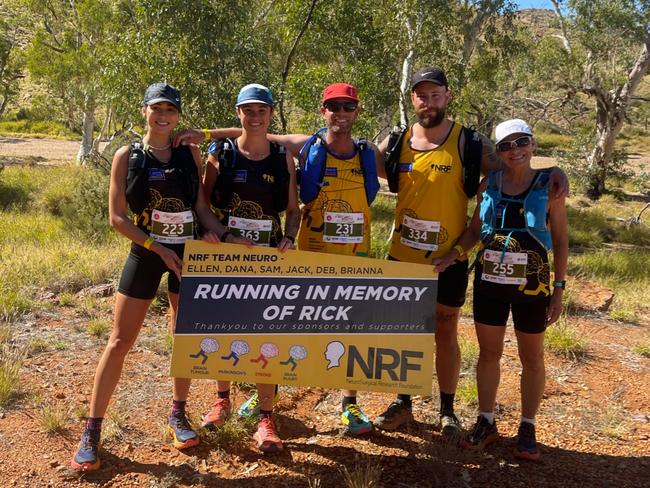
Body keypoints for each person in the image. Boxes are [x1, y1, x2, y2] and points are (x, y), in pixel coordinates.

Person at [175, 82, 381, 436]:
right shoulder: (304, 145)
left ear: (357, 111)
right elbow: (252, 130)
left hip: (347, 251)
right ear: (324, 111)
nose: (341, 114)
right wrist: (206, 133)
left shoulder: (369, 152)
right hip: (299, 249)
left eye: (348, 107)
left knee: (346, 324)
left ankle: (348, 404)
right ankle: (247, 397)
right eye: (335, 107)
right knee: (244, 325)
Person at [373, 67, 568, 437]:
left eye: (435, 95)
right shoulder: (396, 140)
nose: (428, 102)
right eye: (421, 95)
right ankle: (404, 401)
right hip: (402, 255)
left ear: (447, 96)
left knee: (445, 329)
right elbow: (354, 156)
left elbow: (516, 167)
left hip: (449, 255)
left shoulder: (470, 142)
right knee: (405, 333)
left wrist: (554, 168)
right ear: (412, 99)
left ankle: (447, 409)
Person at [71, 83, 247, 471]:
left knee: (183, 338)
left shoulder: (190, 153)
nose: (164, 115)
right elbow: (117, 218)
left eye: (171, 109)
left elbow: (200, 205)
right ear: (145, 111)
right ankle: (92, 430)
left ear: (179, 115)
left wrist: (224, 233)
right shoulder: (126, 155)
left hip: (187, 256)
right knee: (119, 341)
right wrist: (158, 248)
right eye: (157, 108)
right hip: (148, 252)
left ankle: (178, 414)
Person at [435, 118, 568, 461]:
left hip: (533, 286)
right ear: (499, 151)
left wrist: (559, 289)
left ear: (532, 144)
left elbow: (561, 239)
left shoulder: (548, 186)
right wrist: (454, 254)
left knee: (532, 357)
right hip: (489, 283)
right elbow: (475, 230)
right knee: (489, 354)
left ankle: (527, 425)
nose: (515, 151)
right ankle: (486, 420)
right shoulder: (488, 184)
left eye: (521, 142)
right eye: (506, 146)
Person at [199, 83, 300, 453]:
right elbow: (203, 205)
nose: (255, 118)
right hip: (227, 256)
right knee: (224, 326)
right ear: (238, 112)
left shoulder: (282, 156)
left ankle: (266, 417)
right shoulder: (222, 155)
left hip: (269, 255)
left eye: (262, 111)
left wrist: (289, 237)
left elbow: (292, 210)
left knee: (265, 334)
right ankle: (222, 399)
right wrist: (220, 234)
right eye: (248, 111)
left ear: (271, 114)